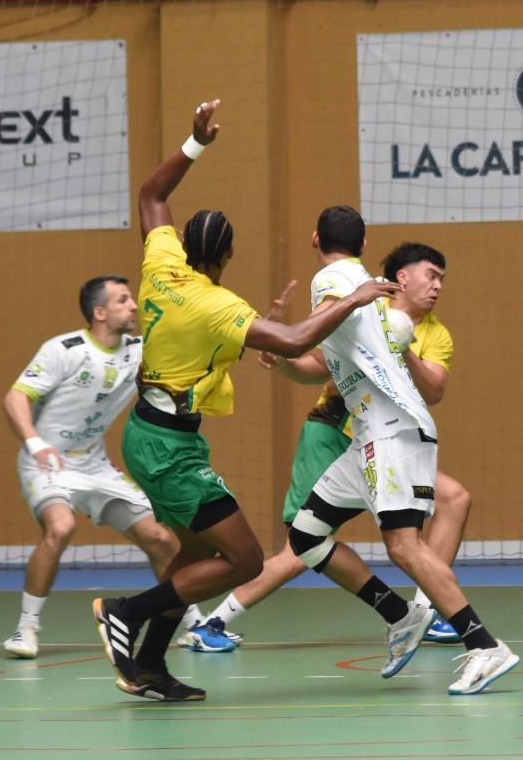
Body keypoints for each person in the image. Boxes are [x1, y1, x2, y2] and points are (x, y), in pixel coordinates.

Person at [90, 100, 398, 703]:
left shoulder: (160, 263)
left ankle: (148, 665)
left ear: (182, 242)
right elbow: (295, 340)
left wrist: (195, 143)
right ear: (228, 256)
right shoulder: (218, 306)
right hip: (168, 448)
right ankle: (125, 611)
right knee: (245, 560)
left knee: (195, 554)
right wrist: (354, 298)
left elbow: (151, 194)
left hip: (150, 434)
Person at [270, 206, 519, 695]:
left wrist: (279, 334)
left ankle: (484, 646)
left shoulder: (334, 280)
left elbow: (306, 335)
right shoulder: (367, 292)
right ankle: (401, 615)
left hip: (393, 432)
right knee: (305, 536)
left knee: (404, 546)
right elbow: (316, 361)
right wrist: (282, 354)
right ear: (365, 246)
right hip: (368, 435)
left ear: (315, 238)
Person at [181, 242, 473, 651]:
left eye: (442, 278)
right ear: (402, 278)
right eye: (431, 275)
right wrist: (283, 359)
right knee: (302, 546)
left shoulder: (435, 333)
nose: (438, 285)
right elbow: (317, 366)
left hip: (388, 443)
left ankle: (426, 610)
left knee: (454, 499)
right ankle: (212, 623)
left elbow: (435, 390)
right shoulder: (365, 307)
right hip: (334, 434)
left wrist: (402, 348)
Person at [1, 275, 190, 659]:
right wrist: (35, 443)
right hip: (48, 464)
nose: (133, 306)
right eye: (123, 300)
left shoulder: (139, 351)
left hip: (96, 466)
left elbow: (192, 341)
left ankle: (193, 626)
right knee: (61, 528)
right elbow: (15, 397)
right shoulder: (63, 350)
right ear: (100, 313)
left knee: (162, 539)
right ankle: (26, 629)